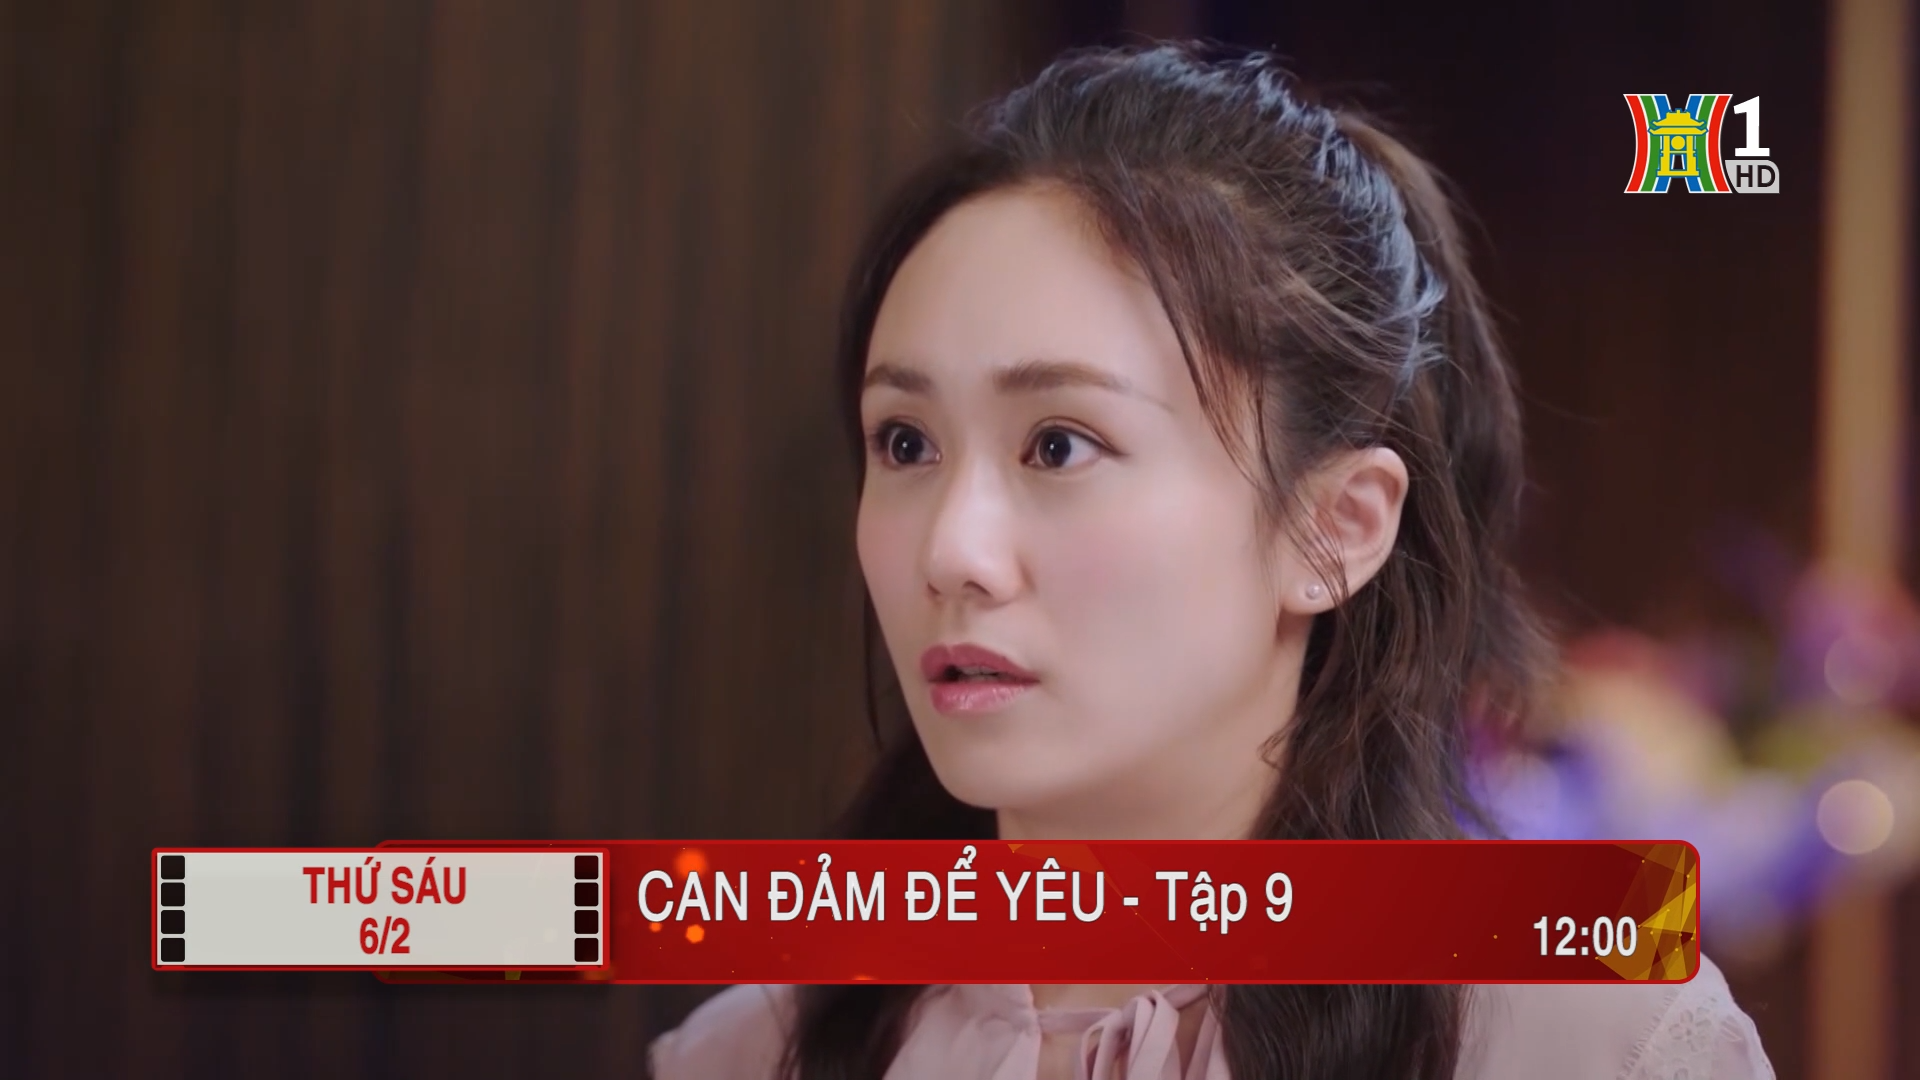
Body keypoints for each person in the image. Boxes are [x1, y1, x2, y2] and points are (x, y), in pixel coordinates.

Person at [650, 42, 1774, 1080]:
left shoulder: (1598, 1041)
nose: (952, 550)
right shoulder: (750, 1051)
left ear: (1335, 528)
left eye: (1059, 445)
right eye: (905, 443)